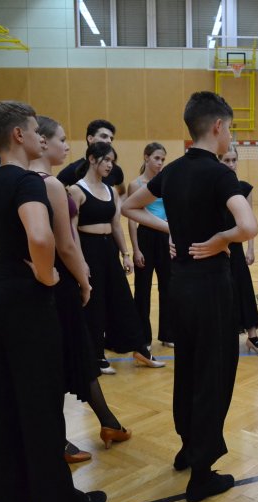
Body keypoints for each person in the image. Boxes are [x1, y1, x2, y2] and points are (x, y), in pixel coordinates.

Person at [0, 101, 105, 502]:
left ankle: (11, 495)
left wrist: (8, 264)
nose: (41, 139)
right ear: (19, 135)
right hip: (25, 303)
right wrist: (46, 276)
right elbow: (42, 237)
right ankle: (55, 501)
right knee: (42, 401)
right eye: (35, 131)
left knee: (6, 398)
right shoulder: (27, 182)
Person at [122, 91, 257, 502]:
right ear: (217, 126)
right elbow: (249, 226)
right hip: (211, 287)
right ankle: (201, 472)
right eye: (230, 128)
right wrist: (221, 239)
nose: (230, 135)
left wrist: (173, 233)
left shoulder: (172, 171)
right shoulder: (219, 174)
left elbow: (129, 207)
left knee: (189, 369)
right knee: (213, 374)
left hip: (180, 286)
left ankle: (187, 447)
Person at [30, 116, 131, 461]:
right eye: (61, 139)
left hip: (58, 279)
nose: (67, 144)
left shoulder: (22, 179)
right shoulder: (51, 184)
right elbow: (62, 242)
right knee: (63, 358)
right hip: (58, 281)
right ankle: (58, 439)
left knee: (77, 353)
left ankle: (107, 422)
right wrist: (79, 278)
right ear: (40, 141)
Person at [69, 142, 164, 375]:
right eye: (107, 160)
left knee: (123, 299)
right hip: (88, 249)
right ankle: (96, 355)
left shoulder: (111, 190)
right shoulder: (76, 190)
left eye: (113, 161)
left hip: (108, 248)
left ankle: (139, 349)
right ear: (92, 159)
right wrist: (80, 260)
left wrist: (125, 254)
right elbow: (72, 230)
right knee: (95, 303)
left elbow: (116, 226)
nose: (110, 165)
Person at [219, 146, 258, 356]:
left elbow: (249, 220)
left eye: (234, 160)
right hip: (217, 247)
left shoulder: (244, 188)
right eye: (226, 160)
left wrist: (251, 248)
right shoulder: (212, 187)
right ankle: (222, 337)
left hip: (237, 247)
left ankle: (253, 337)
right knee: (221, 293)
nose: (231, 164)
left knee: (244, 289)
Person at [126, 143, 175, 350]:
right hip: (145, 236)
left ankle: (168, 334)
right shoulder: (135, 184)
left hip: (165, 236)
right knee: (142, 289)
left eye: (163, 159)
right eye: (156, 158)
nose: (160, 163)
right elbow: (131, 219)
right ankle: (143, 337)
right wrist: (136, 249)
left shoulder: (166, 182)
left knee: (168, 287)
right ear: (146, 158)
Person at [57, 119, 125, 196]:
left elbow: (122, 192)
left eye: (111, 138)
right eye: (104, 136)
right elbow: (54, 193)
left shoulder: (115, 169)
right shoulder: (72, 169)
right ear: (90, 139)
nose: (109, 141)